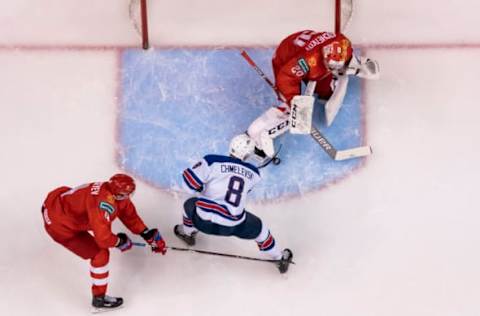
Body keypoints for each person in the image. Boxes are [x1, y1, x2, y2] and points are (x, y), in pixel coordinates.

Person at [246, 30, 380, 160]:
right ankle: (265, 129)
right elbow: (286, 78)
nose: (334, 70)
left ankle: (320, 86)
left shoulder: (344, 44)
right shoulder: (308, 61)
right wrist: (295, 103)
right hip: (285, 59)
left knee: (326, 92)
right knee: (293, 107)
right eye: (332, 67)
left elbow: (345, 60)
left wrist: (353, 67)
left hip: (308, 53)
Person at [41, 173, 167, 310]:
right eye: (127, 194)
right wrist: (120, 242)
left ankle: (99, 298)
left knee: (86, 216)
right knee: (100, 254)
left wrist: (146, 233)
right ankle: (99, 300)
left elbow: (127, 213)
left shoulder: (111, 191)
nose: (129, 197)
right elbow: (103, 238)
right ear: (118, 195)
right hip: (58, 224)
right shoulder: (103, 204)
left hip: (55, 201)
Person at [174, 134, 293, 273]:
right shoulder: (254, 173)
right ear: (248, 154)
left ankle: (188, 234)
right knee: (260, 230)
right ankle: (279, 258)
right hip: (232, 225)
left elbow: (188, 186)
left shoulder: (211, 161)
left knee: (189, 205)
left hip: (203, 221)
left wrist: (203, 187)